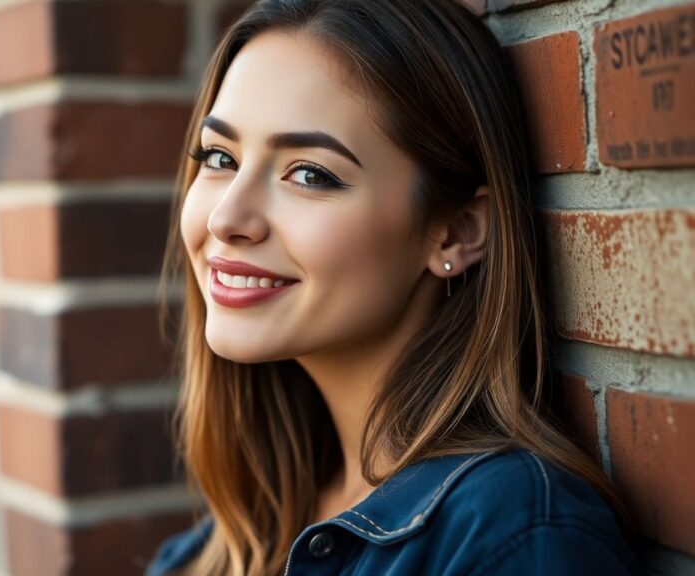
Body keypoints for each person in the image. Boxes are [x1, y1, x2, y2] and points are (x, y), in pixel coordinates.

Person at [147, 0, 642, 574]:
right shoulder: (217, 547)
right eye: (219, 157)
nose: (226, 219)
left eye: (310, 173)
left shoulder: (510, 534)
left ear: (456, 232)